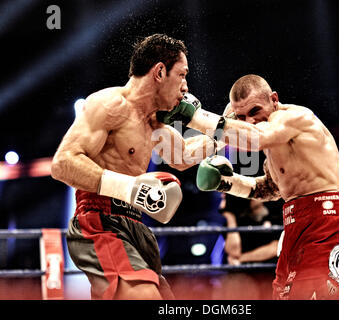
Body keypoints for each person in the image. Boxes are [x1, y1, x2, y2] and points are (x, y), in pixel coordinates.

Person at [157, 74, 339, 300]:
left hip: (327, 219)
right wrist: (228, 182)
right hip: (295, 224)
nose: (249, 121)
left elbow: (257, 137)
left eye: (255, 111)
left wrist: (195, 116)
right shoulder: (274, 147)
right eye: (241, 116)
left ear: (274, 99)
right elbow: (269, 189)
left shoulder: (294, 118)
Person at [50, 34, 218, 300]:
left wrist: (221, 137)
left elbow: (183, 156)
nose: (186, 87)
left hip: (136, 225)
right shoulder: (110, 104)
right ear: (159, 72)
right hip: (98, 221)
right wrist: (128, 187)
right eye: (182, 75)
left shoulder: (154, 122)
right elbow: (62, 164)